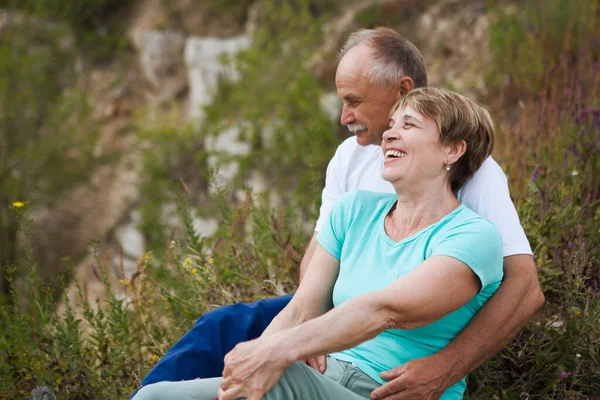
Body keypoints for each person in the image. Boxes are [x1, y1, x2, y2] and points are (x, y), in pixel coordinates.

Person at [132, 28, 544, 400]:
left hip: (378, 362)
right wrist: (297, 341)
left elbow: (520, 286)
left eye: (354, 101)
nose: (346, 117)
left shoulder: (476, 205)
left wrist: (447, 367)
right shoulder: (352, 172)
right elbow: (310, 284)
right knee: (209, 342)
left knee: (276, 369)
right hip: (334, 327)